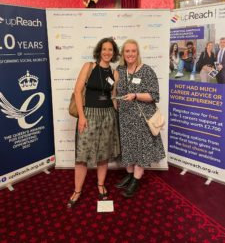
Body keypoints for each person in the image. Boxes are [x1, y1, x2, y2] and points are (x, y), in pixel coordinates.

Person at [67, 37, 120, 208]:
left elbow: (113, 97)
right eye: (104, 49)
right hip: (88, 114)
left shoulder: (115, 73)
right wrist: (82, 117)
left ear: (113, 53)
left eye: (110, 50)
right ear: (99, 51)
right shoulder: (88, 67)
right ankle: (77, 190)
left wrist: (120, 112)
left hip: (108, 115)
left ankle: (100, 184)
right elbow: (77, 91)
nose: (107, 52)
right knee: (82, 155)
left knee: (103, 153)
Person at [115, 39, 166, 198]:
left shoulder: (147, 71)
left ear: (138, 53)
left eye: (133, 51)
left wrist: (136, 95)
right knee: (128, 148)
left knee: (141, 150)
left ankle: (135, 181)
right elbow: (115, 89)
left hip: (142, 119)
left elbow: (154, 96)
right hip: (125, 118)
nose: (130, 54)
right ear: (123, 53)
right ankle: (130, 176)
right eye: (127, 51)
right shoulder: (120, 70)